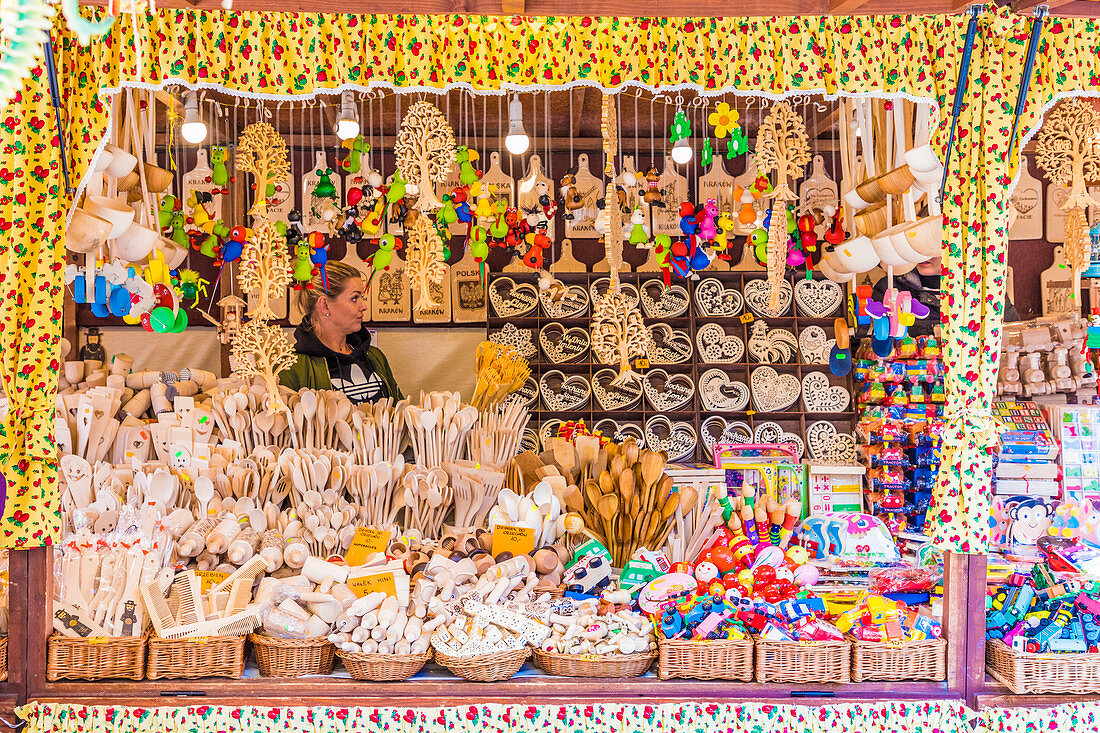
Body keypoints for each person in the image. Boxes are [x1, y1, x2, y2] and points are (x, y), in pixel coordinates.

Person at [280, 261, 402, 404]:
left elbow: (400, 413)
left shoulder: (375, 357)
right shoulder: (291, 367)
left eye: (361, 298)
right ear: (325, 305)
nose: (364, 306)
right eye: (355, 298)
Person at [868, 256, 1019, 338]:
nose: (924, 254)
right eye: (917, 246)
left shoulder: (984, 289)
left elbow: (1012, 336)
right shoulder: (891, 289)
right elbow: (875, 347)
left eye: (934, 245)